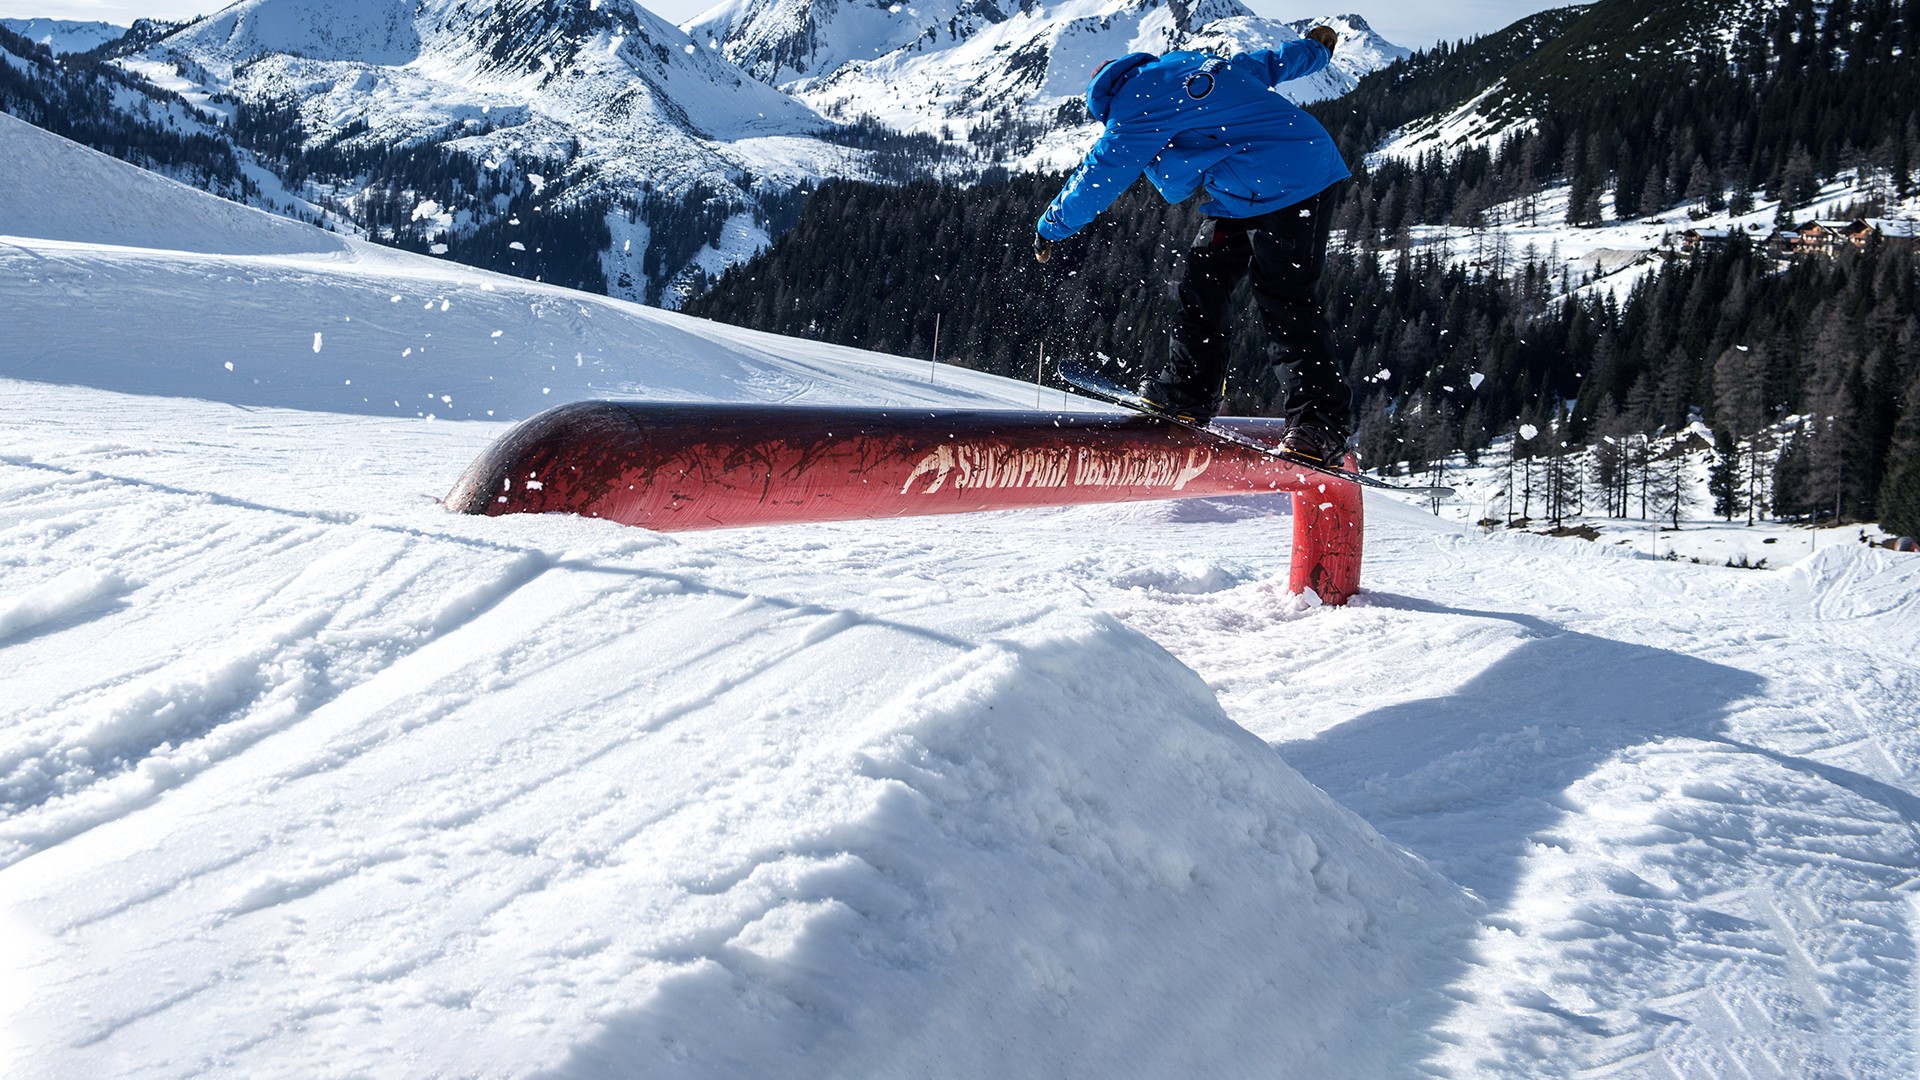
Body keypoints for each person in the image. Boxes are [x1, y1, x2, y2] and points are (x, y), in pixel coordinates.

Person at [1034, 27, 1354, 467]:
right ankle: (1188, 393)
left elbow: (1099, 175)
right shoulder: (1187, 66)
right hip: (1251, 189)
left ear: (1103, 101)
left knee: (1283, 294)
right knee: (1201, 279)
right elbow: (1269, 63)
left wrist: (1050, 226)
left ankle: (1321, 425)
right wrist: (1316, 50)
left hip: (1297, 183)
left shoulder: (1131, 109)